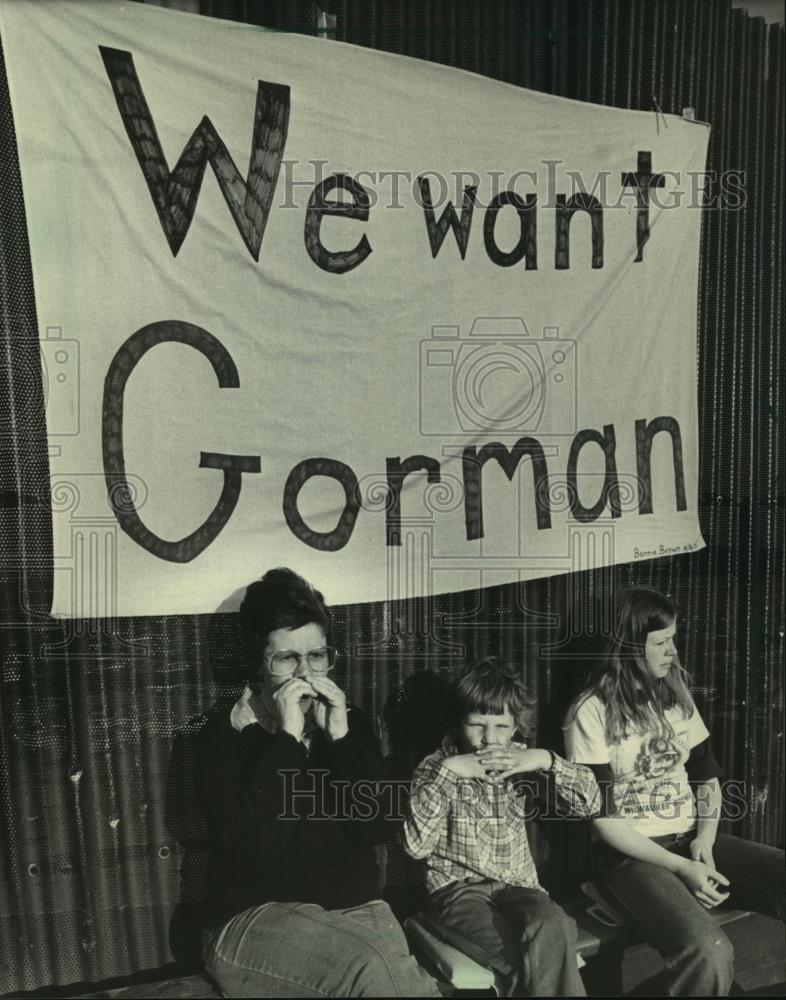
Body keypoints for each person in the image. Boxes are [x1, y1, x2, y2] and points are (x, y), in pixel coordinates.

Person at [196, 567, 439, 998]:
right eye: (287, 658)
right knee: (375, 968)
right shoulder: (225, 735)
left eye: (318, 656)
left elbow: (379, 828)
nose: (306, 673)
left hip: (355, 911)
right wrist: (287, 741)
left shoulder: (349, 723)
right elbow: (255, 850)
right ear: (258, 662)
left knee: (399, 979)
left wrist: (342, 741)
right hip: (254, 918)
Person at [563, 585, 785, 996]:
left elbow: (707, 778)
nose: (672, 652)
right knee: (708, 948)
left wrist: (705, 838)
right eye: (661, 643)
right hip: (631, 857)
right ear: (630, 647)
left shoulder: (676, 696)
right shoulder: (588, 712)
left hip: (691, 840)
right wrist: (681, 867)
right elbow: (604, 821)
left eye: (673, 640)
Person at [403, 658, 601, 997]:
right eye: (476, 725)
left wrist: (547, 761)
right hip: (458, 892)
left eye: (501, 727)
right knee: (525, 962)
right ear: (457, 722)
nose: (488, 740)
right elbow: (416, 847)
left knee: (553, 926)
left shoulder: (521, 762)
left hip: (520, 887)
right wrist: (451, 772)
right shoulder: (436, 767)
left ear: (516, 727)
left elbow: (591, 805)